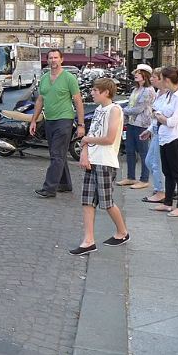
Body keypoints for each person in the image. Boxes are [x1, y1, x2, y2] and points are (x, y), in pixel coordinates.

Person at [70, 78, 129, 255]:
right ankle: (88, 240)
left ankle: (123, 232)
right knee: (87, 201)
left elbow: (109, 138)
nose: (92, 93)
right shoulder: (98, 110)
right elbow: (92, 133)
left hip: (105, 161)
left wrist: (87, 140)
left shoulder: (115, 110)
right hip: (93, 160)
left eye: (96, 90)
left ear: (106, 92)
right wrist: (84, 152)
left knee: (106, 202)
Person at [32, 49, 86, 198]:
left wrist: (81, 125)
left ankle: (49, 188)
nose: (53, 60)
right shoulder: (44, 78)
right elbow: (40, 100)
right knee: (58, 154)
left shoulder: (69, 78)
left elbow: (78, 101)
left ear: (61, 60)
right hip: (49, 120)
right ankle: (65, 184)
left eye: (56, 57)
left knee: (56, 154)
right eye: (50, 58)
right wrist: (33, 120)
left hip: (64, 120)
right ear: (47, 60)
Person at [151, 67, 178, 217]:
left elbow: (172, 121)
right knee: (167, 171)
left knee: (177, 172)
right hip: (164, 137)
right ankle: (168, 202)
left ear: (167, 80)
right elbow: (158, 109)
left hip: (175, 137)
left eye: (162, 78)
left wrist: (160, 117)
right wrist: (161, 116)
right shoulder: (170, 94)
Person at [117, 64, 155, 188]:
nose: (136, 74)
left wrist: (122, 110)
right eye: (136, 72)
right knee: (129, 151)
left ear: (145, 75)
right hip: (132, 123)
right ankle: (130, 177)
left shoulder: (148, 91)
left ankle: (144, 180)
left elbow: (138, 109)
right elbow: (131, 105)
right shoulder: (135, 89)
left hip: (142, 125)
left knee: (143, 152)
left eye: (139, 72)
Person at [139, 68, 167, 203]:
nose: (151, 79)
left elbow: (162, 115)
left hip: (163, 133)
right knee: (150, 161)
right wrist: (149, 129)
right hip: (156, 131)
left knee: (155, 163)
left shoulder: (169, 94)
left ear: (162, 78)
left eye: (154, 77)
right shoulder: (158, 92)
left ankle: (160, 191)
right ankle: (162, 188)